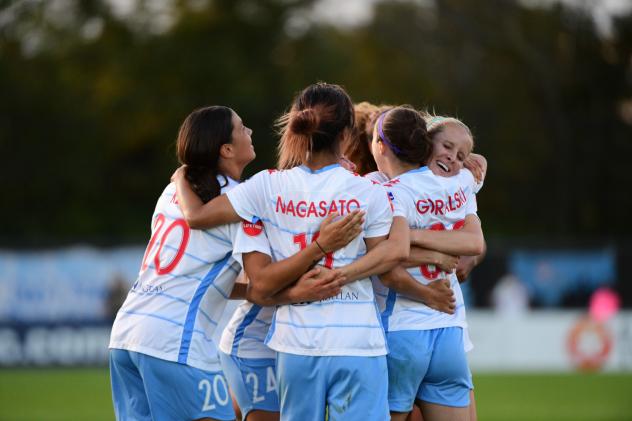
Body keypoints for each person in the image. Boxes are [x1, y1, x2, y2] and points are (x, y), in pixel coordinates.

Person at [173, 82, 413, 421]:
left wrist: (181, 175)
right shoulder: (365, 191)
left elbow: (197, 217)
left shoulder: (267, 185)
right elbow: (388, 258)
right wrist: (344, 273)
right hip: (358, 342)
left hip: (295, 346)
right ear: (346, 135)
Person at [108, 105, 360, 421]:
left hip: (124, 336)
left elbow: (201, 281)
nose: (250, 132)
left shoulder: (173, 190)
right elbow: (264, 279)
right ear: (226, 149)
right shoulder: (240, 203)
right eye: (242, 128)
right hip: (174, 342)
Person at [374, 109, 484, 421]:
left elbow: (381, 254)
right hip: (448, 330)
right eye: (447, 147)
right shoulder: (461, 183)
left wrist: (409, 236)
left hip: (402, 330)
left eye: (461, 155)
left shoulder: (386, 190)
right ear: (425, 144)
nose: (453, 158)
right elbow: (476, 243)